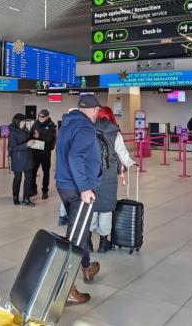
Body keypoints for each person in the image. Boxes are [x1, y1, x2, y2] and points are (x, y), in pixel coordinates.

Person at [55, 95, 103, 305]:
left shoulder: (67, 123)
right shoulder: (85, 127)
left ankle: (86, 266)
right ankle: (65, 289)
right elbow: (75, 157)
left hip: (65, 185)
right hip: (78, 189)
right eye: (97, 111)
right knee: (75, 239)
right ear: (94, 110)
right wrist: (84, 188)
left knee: (78, 231)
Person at [91, 106, 135, 254]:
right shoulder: (115, 132)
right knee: (106, 208)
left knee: (91, 205)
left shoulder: (90, 129)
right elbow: (122, 154)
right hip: (108, 174)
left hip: (91, 173)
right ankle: (103, 243)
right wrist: (131, 163)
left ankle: (87, 242)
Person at [8, 114, 37, 206]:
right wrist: (26, 145)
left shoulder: (25, 129)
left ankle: (26, 199)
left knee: (29, 178)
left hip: (28, 157)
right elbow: (13, 147)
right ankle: (15, 197)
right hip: (18, 159)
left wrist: (34, 138)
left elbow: (28, 139)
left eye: (25, 121)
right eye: (23, 121)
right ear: (17, 122)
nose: (24, 122)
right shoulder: (12, 133)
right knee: (18, 178)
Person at [30, 109, 57, 199]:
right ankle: (33, 189)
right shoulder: (35, 124)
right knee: (33, 172)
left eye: (42, 116)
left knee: (46, 173)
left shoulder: (51, 126)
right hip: (35, 152)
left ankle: (45, 191)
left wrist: (39, 137)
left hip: (45, 153)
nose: (40, 118)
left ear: (47, 117)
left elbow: (49, 140)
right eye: (39, 116)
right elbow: (30, 134)